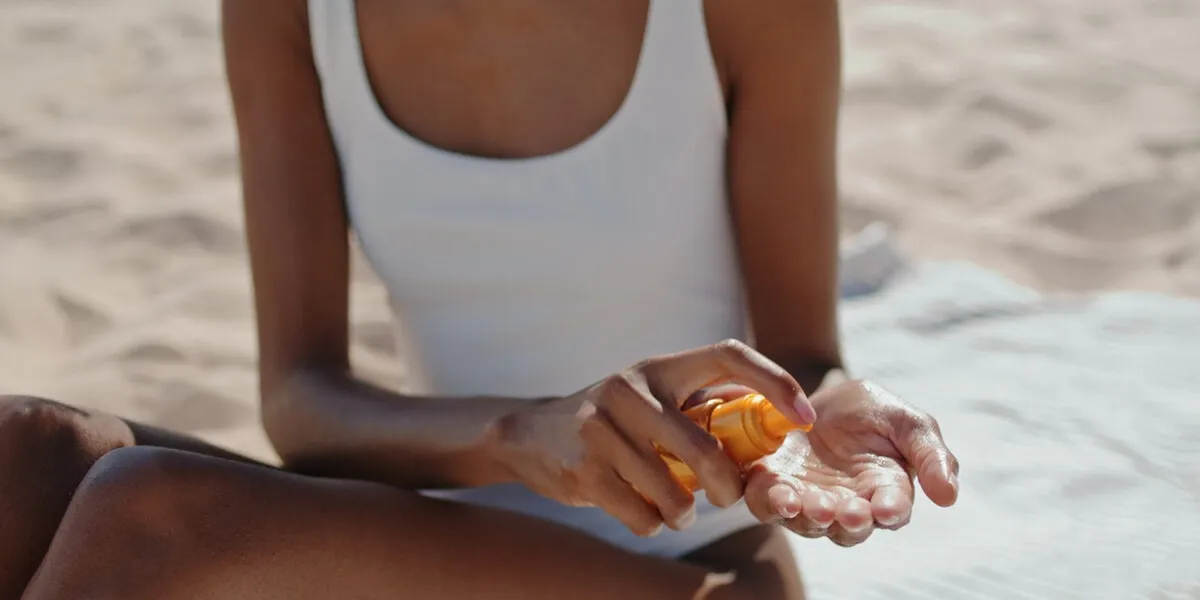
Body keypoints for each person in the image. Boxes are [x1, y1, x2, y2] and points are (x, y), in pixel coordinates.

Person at [0, 1, 961, 598]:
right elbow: (302, 400)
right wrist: (523, 435)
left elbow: (805, 355)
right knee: (22, 450)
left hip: (699, 573)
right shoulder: (288, 10)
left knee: (143, 511)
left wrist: (824, 403)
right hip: (449, 538)